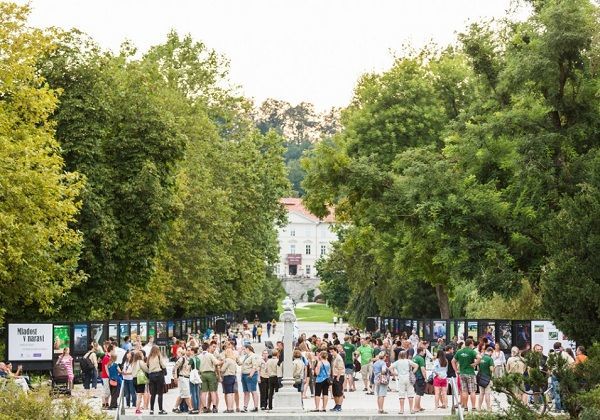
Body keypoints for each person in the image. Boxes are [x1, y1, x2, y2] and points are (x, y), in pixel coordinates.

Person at [452, 338, 480, 412]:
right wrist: (475, 364)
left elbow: (453, 361)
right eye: (472, 343)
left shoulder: (459, 352)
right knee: (472, 391)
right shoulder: (472, 351)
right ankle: (473, 407)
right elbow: (479, 357)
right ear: (470, 344)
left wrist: (456, 370)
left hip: (462, 373)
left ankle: (465, 407)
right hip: (470, 373)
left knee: (464, 391)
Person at [549, 341, 575, 412]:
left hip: (554, 374)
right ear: (560, 347)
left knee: (556, 391)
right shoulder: (565, 354)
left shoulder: (551, 354)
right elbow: (572, 363)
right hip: (564, 373)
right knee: (564, 390)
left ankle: (558, 408)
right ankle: (565, 407)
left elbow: (548, 365)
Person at [392, 350, 418, 415]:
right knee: (410, 394)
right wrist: (412, 372)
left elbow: (390, 368)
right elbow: (416, 366)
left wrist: (395, 374)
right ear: (405, 355)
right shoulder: (408, 361)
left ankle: (401, 410)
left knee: (401, 394)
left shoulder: (397, 362)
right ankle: (411, 409)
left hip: (401, 378)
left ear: (399, 356)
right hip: (408, 378)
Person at [199, 341, 223, 413]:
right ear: (208, 348)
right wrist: (222, 361)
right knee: (213, 391)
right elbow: (216, 363)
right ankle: (214, 407)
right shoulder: (210, 355)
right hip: (210, 374)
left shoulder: (199, 356)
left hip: (202, 374)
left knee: (203, 392)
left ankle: (204, 407)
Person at [147, 345, 167, 415]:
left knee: (153, 394)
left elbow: (147, 366)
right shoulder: (158, 356)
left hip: (151, 376)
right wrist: (164, 369)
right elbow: (163, 365)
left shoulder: (149, 357)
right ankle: (160, 409)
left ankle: (151, 410)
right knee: (160, 394)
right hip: (159, 375)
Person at [240, 344, 261, 412]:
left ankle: (256, 407)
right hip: (244, 375)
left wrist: (251, 375)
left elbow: (255, 366)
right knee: (246, 392)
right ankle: (245, 407)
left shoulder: (254, 356)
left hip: (250, 375)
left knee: (253, 391)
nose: (243, 351)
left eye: (244, 349)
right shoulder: (246, 356)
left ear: (248, 349)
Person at [172, 347, 192, 414]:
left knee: (181, 395)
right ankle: (191, 408)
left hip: (187, 378)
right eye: (188, 350)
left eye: (190, 350)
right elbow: (175, 367)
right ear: (185, 351)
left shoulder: (190, 359)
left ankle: (175, 408)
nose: (189, 352)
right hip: (183, 378)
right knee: (187, 394)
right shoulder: (182, 359)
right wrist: (175, 377)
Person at [131, 350, 149, 415]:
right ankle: (137, 409)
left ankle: (137, 408)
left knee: (138, 394)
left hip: (134, 379)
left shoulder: (133, 362)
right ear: (140, 356)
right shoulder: (140, 362)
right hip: (140, 379)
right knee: (139, 395)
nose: (143, 356)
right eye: (142, 355)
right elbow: (146, 369)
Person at [221, 348, 239, 413]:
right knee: (231, 393)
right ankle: (231, 408)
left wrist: (220, 371)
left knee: (228, 393)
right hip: (233, 376)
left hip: (227, 377)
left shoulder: (227, 360)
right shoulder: (233, 360)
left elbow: (223, 369)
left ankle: (229, 408)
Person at [478, 347, 494, 411]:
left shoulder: (481, 358)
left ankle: (479, 407)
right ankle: (488, 408)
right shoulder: (490, 359)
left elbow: (478, 368)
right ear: (490, 352)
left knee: (481, 393)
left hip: (481, 377)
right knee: (487, 394)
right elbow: (491, 369)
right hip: (487, 378)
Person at [330, 346, 345, 412]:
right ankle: (336, 405)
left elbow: (340, 368)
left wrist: (338, 377)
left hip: (339, 376)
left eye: (332, 351)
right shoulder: (334, 357)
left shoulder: (339, 358)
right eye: (330, 351)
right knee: (335, 392)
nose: (331, 353)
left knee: (339, 392)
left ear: (336, 351)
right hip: (335, 376)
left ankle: (339, 406)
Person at [413, 347, 427, 412]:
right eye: (424, 351)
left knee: (417, 392)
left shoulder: (414, 358)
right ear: (421, 351)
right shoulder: (421, 359)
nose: (424, 352)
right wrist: (425, 377)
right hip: (420, 377)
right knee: (419, 393)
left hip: (415, 377)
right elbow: (422, 369)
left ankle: (419, 406)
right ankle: (416, 407)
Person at [187, 347, 201, 414]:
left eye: (191, 351)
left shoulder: (192, 359)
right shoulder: (198, 359)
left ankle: (194, 408)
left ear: (193, 352)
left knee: (193, 393)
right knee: (197, 392)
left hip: (192, 376)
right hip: (197, 375)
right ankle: (197, 408)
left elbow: (188, 367)